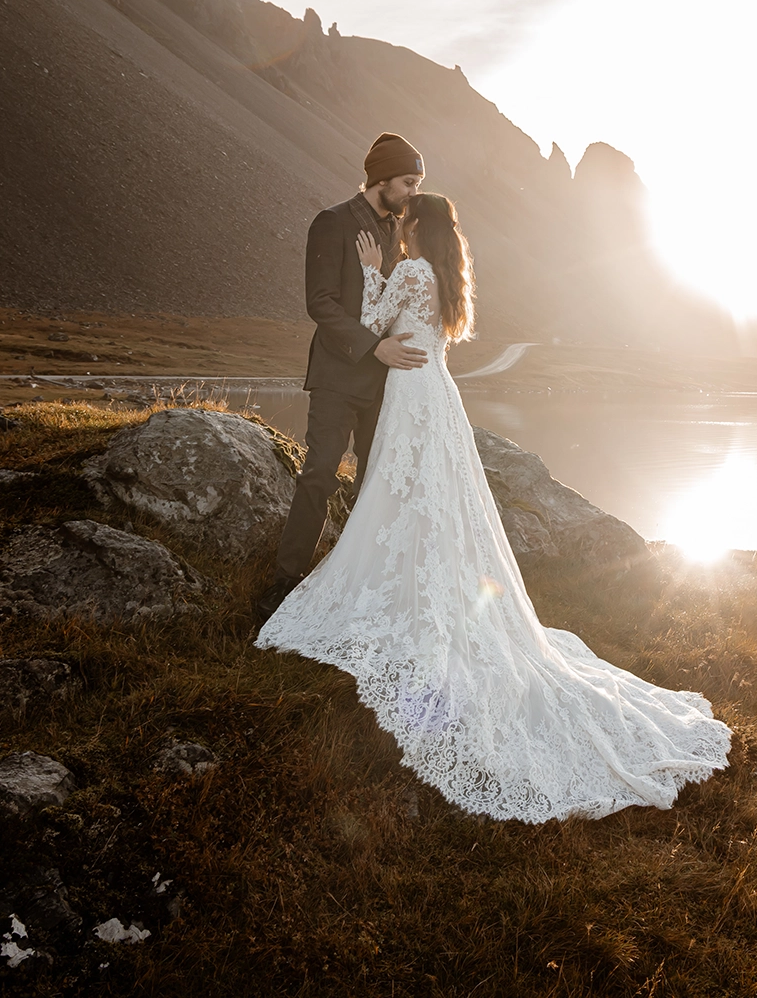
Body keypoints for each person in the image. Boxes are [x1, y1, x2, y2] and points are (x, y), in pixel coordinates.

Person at [255, 193, 731, 822]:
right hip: (437, 393)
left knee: (402, 494)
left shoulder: (412, 270)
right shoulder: (447, 279)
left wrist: (372, 267)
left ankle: (397, 585)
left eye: (406, 227)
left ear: (417, 229)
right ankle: (424, 581)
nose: (398, 234)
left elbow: (372, 319)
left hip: (410, 394)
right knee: (433, 500)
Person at [257, 133, 428, 630]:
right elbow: (321, 303)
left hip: (387, 382)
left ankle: (355, 583)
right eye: (408, 182)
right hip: (338, 374)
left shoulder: (403, 229)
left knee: (376, 482)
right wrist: (375, 346)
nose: (413, 192)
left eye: (418, 183)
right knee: (320, 474)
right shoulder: (331, 223)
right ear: (381, 178)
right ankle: (284, 584)